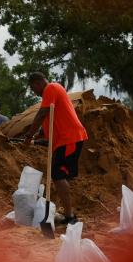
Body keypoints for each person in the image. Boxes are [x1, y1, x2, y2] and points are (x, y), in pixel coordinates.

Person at [23, 74, 89, 225]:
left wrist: (28, 136)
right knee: (59, 175)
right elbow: (50, 119)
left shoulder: (51, 88)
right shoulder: (52, 93)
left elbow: (42, 114)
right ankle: (67, 213)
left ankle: (69, 216)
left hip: (69, 138)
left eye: (33, 88)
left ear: (39, 82)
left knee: (58, 175)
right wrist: (39, 134)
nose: (35, 92)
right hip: (66, 139)